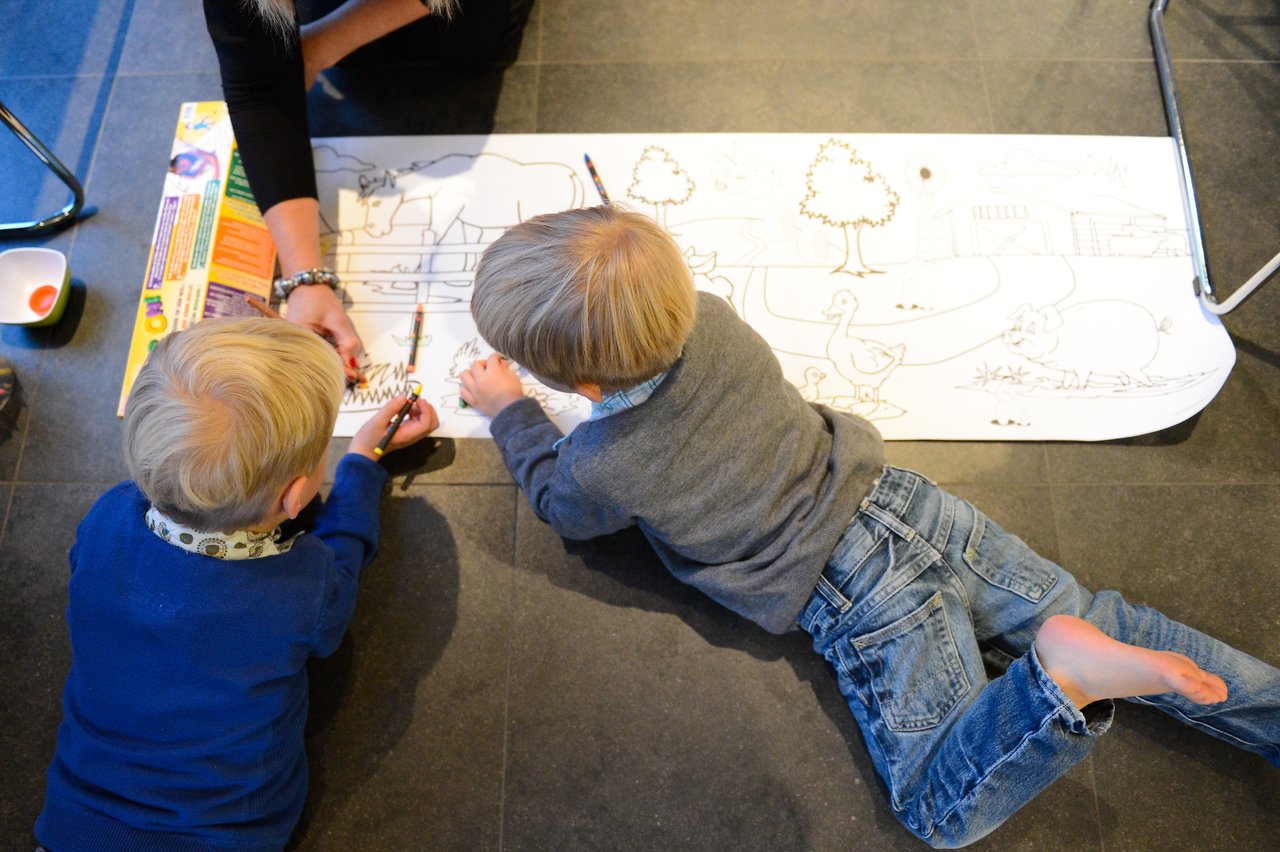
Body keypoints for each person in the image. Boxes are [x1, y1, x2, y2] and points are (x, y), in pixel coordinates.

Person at [457, 205, 1280, 848]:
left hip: (859, 592)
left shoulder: (600, 462)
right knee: (1107, 617)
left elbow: (562, 507)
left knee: (936, 807)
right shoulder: (714, 318)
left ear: (583, 387)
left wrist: (510, 411)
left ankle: (1060, 683)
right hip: (914, 506)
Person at [34, 317, 437, 850]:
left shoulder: (107, 518)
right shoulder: (304, 585)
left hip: (75, 823)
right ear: (295, 497)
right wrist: (362, 462)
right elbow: (338, 588)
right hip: (225, 834)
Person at [202, 0, 532, 381]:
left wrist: (318, 47)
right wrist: (305, 279)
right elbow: (257, 87)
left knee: (466, 41)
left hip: (462, 30)